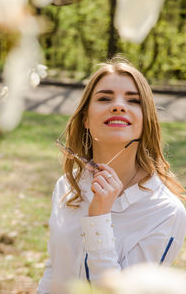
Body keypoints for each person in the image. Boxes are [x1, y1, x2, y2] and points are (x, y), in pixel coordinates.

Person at [37, 56, 186, 294]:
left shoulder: (166, 213)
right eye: (105, 98)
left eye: (133, 100)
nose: (118, 106)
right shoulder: (67, 186)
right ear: (85, 118)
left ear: (146, 119)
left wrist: (99, 219)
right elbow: (55, 270)